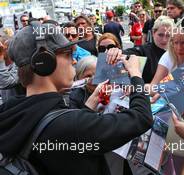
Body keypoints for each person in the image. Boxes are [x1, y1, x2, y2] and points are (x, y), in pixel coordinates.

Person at [0, 21, 153, 175]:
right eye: (68, 54)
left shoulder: (11, 113)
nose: (73, 61)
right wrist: (135, 75)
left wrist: (88, 107)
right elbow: (141, 118)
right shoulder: (70, 126)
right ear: (44, 62)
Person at [108, 16, 174, 84]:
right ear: (153, 33)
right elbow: (130, 52)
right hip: (145, 93)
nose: (164, 40)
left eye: (168, 35)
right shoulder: (144, 51)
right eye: (160, 35)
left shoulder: (176, 53)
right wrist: (117, 51)